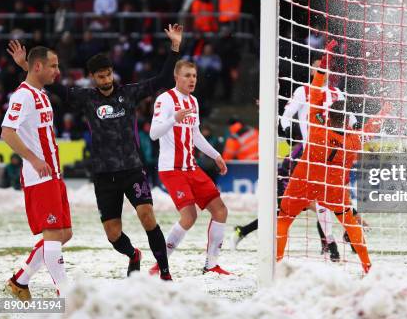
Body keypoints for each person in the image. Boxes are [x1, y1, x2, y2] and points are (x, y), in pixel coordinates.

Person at [7, 25, 184, 281]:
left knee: (147, 216)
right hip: (104, 176)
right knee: (113, 234)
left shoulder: (129, 94)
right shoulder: (86, 99)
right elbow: (48, 85)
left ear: (113, 73)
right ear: (93, 78)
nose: (106, 80)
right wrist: (27, 65)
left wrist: (175, 47)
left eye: (109, 74)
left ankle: (165, 274)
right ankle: (133, 255)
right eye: (101, 77)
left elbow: (163, 80)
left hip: (132, 170)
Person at [276, 41, 390, 273]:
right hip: (333, 185)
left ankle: (276, 262)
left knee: (284, 218)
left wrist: (326, 59)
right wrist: (387, 109)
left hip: (305, 176)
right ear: (347, 120)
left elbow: (317, 94)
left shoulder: (317, 127)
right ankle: (367, 265)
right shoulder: (354, 140)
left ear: (328, 115)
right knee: (349, 220)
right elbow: (370, 128)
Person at [231, 54, 357, 261]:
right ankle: (333, 243)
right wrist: (287, 129)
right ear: (311, 71)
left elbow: (350, 117)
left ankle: (332, 244)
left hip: (329, 157)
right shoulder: (303, 92)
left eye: (325, 68)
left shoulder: (337, 94)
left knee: (322, 203)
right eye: (318, 68)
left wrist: (356, 128)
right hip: (305, 159)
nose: (322, 72)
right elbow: (287, 116)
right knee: (290, 208)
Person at [1, 47, 72, 299]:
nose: (58, 71)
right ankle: (65, 295)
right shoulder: (23, 96)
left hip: (53, 174)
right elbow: (7, 132)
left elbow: (34, 75)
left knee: (65, 234)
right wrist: (33, 159)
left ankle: (20, 280)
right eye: (53, 66)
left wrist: (27, 66)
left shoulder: (38, 91)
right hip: (39, 176)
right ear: (40, 67)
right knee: (53, 236)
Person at [149, 60, 231, 275]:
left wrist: (216, 156)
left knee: (220, 210)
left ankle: (211, 264)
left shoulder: (193, 101)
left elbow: (195, 135)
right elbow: (154, 133)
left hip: (191, 166)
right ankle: (161, 263)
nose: (191, 79)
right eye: (187, 75)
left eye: (194, 75)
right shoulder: (165, 100)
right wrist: (173, 119)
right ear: (176, 77)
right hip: (171, 168)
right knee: (189, 216)